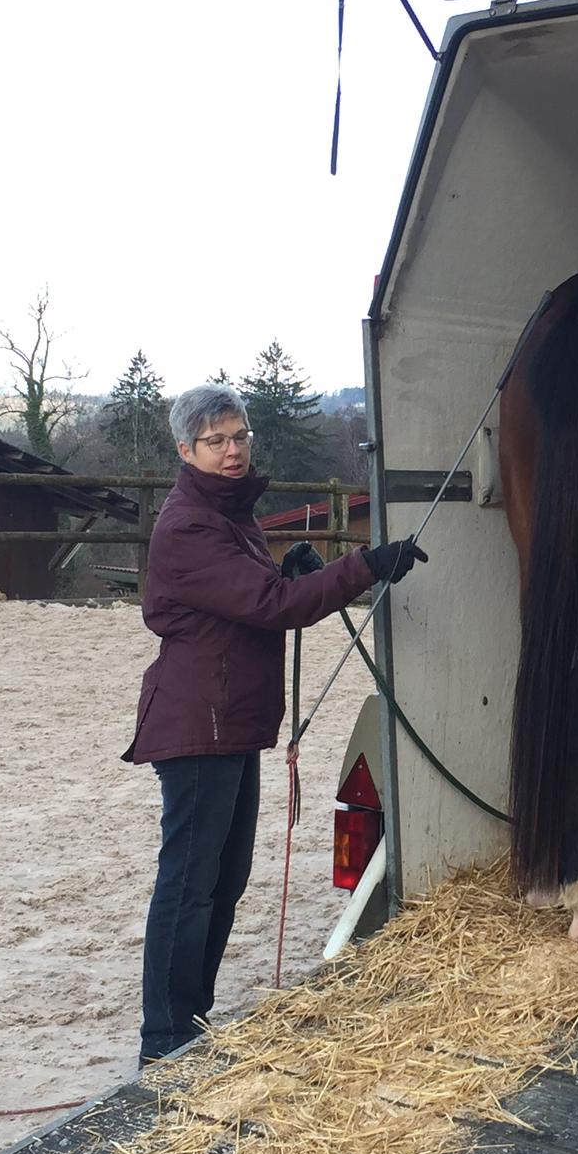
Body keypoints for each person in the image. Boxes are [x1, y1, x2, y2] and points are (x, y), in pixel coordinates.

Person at [123, 383, 426, 1067]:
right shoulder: (189, 524)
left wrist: (286, 565)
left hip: (230, 721)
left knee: (220, 883)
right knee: (190, 883)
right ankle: (164, 1039)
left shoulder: (228, 514)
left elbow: (257, 588)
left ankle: (187, 1023)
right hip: (199, 723)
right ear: (185, 450)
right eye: (216, 442)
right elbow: (269, 605)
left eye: (239, 437)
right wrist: (365, 566)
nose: (233, 452)